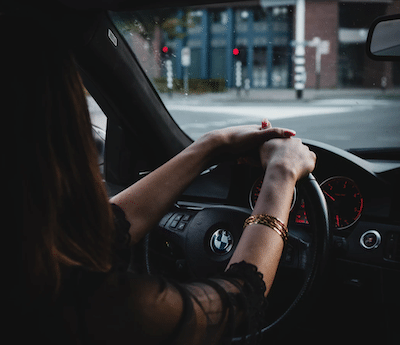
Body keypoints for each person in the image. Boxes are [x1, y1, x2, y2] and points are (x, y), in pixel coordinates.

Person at [10, 11, 316, 345]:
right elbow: (239, 302)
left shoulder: (28, 264)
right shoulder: (99, 306)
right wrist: (282, 175)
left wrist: (213, 145)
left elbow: (107, 230)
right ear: (54, 141)